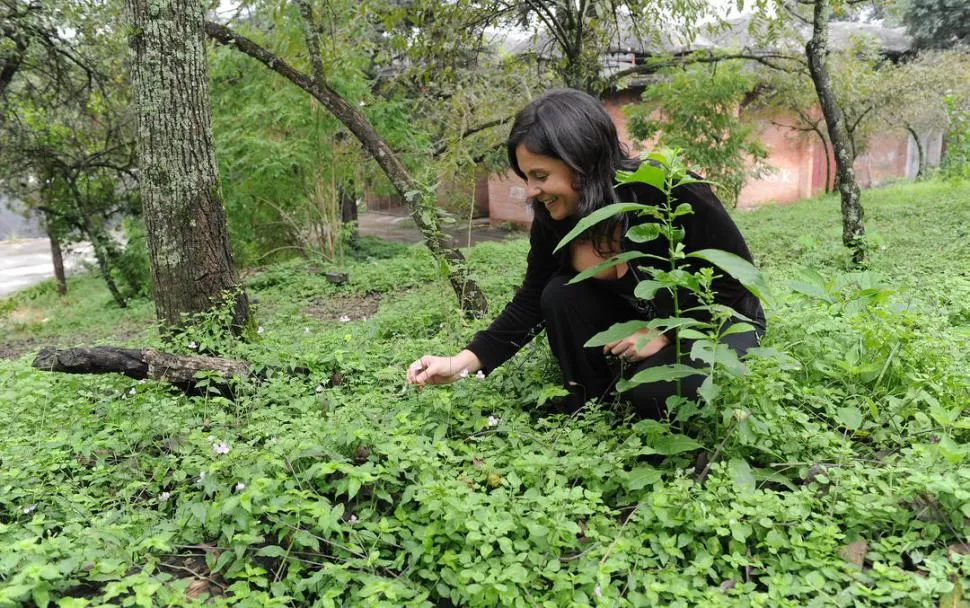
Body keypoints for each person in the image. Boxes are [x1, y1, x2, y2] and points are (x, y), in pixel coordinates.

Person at [406, 88, 766, 418]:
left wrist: (666, 331)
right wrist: (462, 363)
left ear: (581, 162)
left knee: (657, 392)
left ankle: (644, 381)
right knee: (559, 293)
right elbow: (530, 302)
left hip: (714, 321)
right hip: (630, 326)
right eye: (526, 177)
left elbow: (735, 283)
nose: (531, 191)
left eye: (540, 175)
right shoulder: (554, 217)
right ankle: (591, 406)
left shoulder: (664, 191)